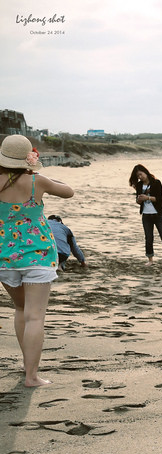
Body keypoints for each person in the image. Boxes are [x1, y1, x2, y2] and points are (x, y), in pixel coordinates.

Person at [0, 135, 74, 387]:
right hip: (38, 256)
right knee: (35, 317)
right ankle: (31, 375)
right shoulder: (36, 181)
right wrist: (39, 175)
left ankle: (25, 364)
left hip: (5, 257)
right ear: (27, 159)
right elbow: (68, 191)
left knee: (20, 310)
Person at [129, 164, 162, 268]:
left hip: (158, 214)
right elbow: (138, 201)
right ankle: (150, 260)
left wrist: (147, 198)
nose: (140, 177)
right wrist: (139, 200)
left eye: (140, 174)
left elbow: (159, 198)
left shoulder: (156, 183)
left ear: (145, 171)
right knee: (148, 238)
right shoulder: (139, 186)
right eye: (138, 176)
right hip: (146, 215)